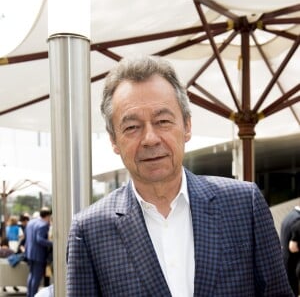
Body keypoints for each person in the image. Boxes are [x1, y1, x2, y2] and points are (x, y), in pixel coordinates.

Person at [66, 55, 293, 296]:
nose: (150, 138)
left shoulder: (244, 204)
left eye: (163, 121)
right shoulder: (90, 230)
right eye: (132, 127)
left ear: (187, 126)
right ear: (114, 140)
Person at [25, 207, 53, 297]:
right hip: (38, 254)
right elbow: (39, 239)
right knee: (36, 277)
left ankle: (29, 294)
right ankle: (33, 295)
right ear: (48, 215)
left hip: (29, 253)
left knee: (31, 275)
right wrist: (53, 243)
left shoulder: (31, 222)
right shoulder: (43, 224)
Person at [281, 206, 300, 296]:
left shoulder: (289, 216)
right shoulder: (297, 220)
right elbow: (293, 247)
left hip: (285, 261)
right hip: (293, 264)